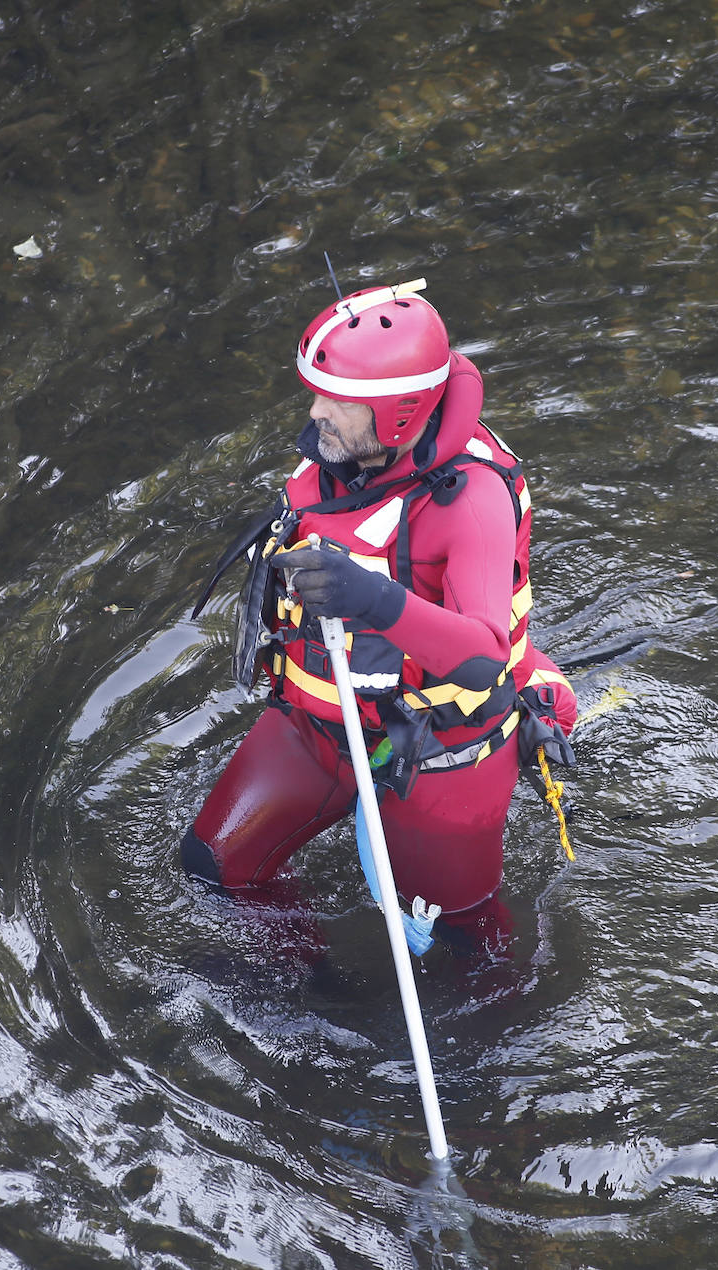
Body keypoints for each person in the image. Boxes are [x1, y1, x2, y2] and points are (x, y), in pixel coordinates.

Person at [182, 276, 577, 942]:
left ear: (398, 412)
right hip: (318, 730)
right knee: (215, 871)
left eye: (337, 401)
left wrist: (371, 598)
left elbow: (481, 655)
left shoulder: (472, 501)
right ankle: (312, 1003)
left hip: (439, 753)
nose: (315, 414)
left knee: (468, 941)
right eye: (318, 393)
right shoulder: (342, 465)